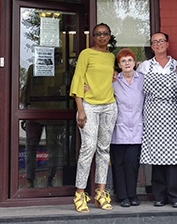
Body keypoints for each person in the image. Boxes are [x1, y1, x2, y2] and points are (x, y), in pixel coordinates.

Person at [69, 23, 118, 213]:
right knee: (87, 148)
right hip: (89, 106)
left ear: (109, 36)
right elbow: (78, 79)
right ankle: (80, 194)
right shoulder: (86, 54)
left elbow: (108, 77)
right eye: (98, 34)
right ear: (93, 37)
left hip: (109, 106)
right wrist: (80, 109)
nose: (102, 37)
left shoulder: (111, 57)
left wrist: (115, 74)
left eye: (105, 34)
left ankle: (100, 193)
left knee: (104, 150)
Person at [137, 32, 177, 208]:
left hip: (173, 113)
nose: (158, 44)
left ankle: (175, 196)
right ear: (151, 46)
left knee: (174, 155)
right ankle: (159, 195)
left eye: (161, 41)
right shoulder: (144, 67)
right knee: (156, 155)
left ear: (167, 43)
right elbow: (136, 89)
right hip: (152, 113)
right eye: (154, 42)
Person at [110, 49, 145, 207]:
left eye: (129, 60)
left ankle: (132, 194)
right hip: (118, 128)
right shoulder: (113, 81)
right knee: (118, 164)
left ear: (134, 62)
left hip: (137, 128)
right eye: (123, 61)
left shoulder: (142, 79)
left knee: (132, 163)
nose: (127, 63)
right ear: (119, 65)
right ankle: (122, 196)